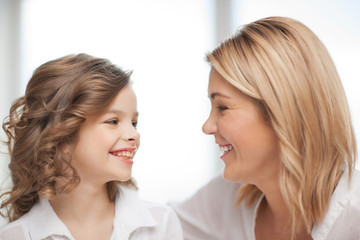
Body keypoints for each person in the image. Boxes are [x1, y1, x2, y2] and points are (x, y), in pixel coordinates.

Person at [170, 16, 360, 240]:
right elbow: (151, 228)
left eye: (222, 107)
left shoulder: (353, 218)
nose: (207, 126)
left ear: (281, 112)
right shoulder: (227, 198)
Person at [0, 54, 183, 240]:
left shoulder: (161, 224)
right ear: (61, 135)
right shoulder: (16, 236)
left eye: (134, 123)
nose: (134, 135)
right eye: (113, 121)